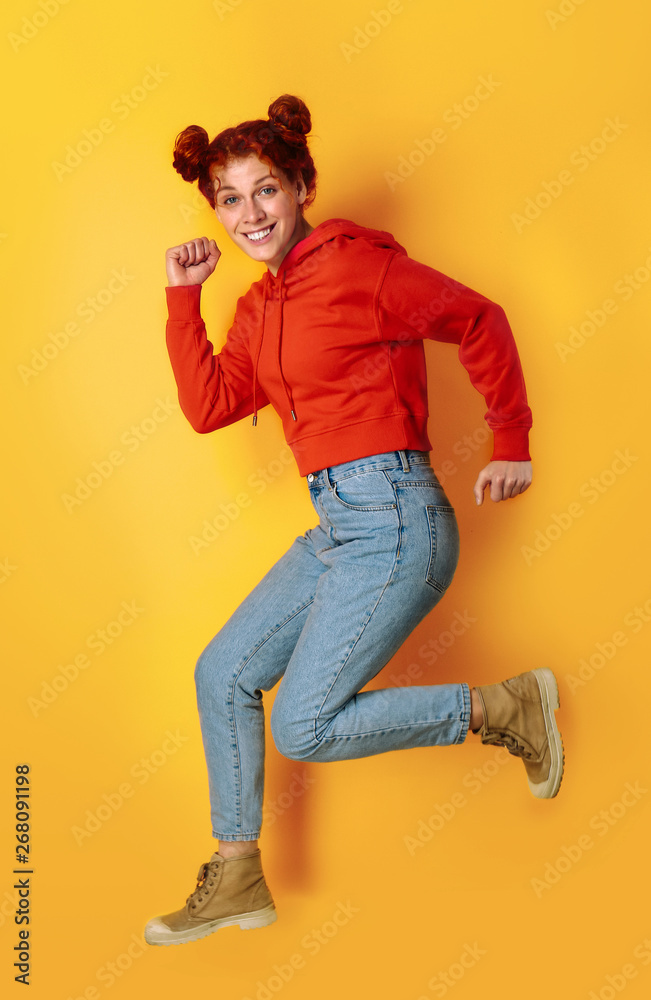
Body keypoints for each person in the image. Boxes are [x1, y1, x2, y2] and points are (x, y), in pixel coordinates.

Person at [144, 94, 564, 947]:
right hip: (339, 524)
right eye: (229, 199)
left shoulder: (355, 269)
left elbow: (477, 317)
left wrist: (510, 438)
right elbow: (210, 404)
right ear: (214, 210)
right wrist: (183, 299)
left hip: (396, 516)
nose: (250, 213)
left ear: (300, 186)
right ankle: (236, 875)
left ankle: (503, 707)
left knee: (302, 724)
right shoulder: (257, 308)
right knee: (220, 672)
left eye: (266, 190)